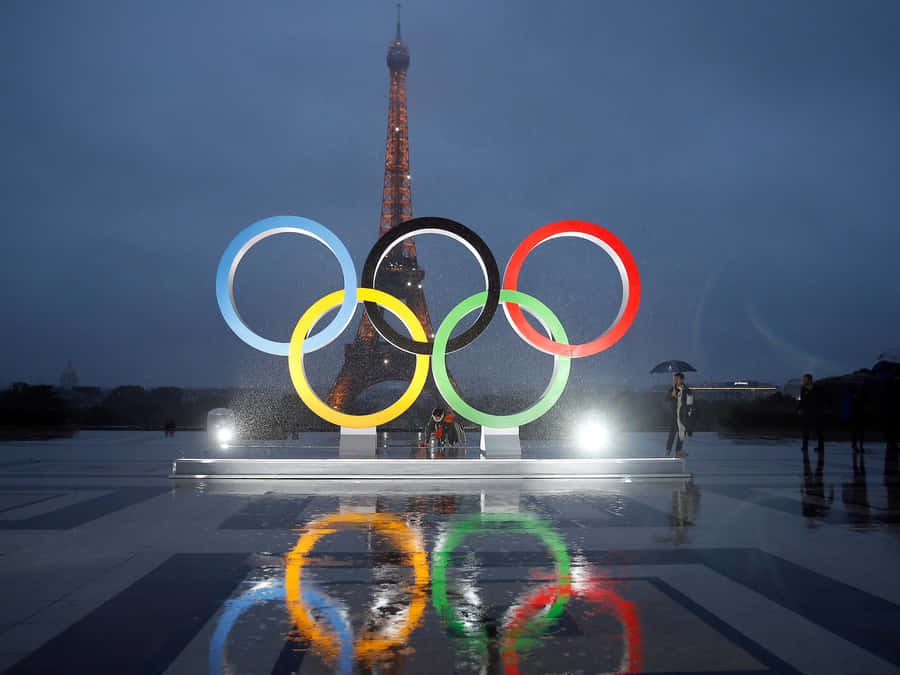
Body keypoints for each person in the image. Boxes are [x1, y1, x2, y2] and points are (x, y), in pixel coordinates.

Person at [665, 372, 695, 458]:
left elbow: (690, 403)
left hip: (684, 414)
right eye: (674, 379)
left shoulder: (687, 390)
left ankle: (678, 451)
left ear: (682, 379)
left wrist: (689, 413)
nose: (675, 381)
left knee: (682, 433)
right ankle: (668, 449)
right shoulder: (673, 389)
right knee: (673, 432)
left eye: (677, 379)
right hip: (675, 414)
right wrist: (672, 395)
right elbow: (666, 399)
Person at [798, 373, 826, 453]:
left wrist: (820, 409)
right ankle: (805, 446)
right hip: (806, 412)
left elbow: (821, 399)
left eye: (805, 380)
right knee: (805, 430)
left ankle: (821, 447)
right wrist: (800, 408)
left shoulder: (818, 389)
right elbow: (802, 400)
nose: (804, 381)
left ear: (810, 380)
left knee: (819, 430)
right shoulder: (803, 389)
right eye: (803, 380)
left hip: (816, 412)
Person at [849, 383, 866, 454]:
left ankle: (859, 445)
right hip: (856, 414)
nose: (860, 386)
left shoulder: (862, 394)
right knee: (856, 431)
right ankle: (856, 445)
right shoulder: (854, 394)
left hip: (859, 414)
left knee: (859, 431)